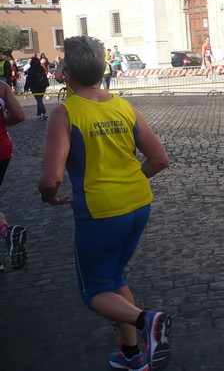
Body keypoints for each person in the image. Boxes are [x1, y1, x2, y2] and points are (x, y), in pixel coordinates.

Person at [38, 35, 172, 369]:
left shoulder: (65, 113)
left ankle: (147, 321)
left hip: (100, 211)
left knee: (94, 291)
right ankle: (131, 355)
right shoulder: (123, 105)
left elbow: (51, 178)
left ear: (67, 71)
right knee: (114, 277)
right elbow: (159, 159)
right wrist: (131, 181)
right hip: (139, 203)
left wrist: (50, 198)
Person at [0, 79, 26, 272]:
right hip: (2, 150)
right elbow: (18, 115)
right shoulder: (2, 86)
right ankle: (7, 233)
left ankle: (7, 233)